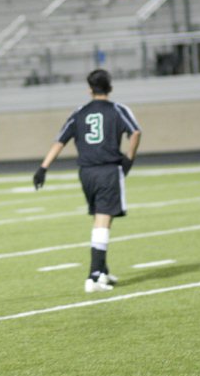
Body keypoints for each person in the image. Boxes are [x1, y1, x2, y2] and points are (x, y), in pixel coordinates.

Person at [33, 69, 141, 293]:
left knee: (101, 218)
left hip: (86, 172)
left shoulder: (79, 112)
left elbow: (59, 141)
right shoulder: (118, 110)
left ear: (89, 88)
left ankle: (102, 270)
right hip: (108, 170)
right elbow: (136, 133)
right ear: (109, 87)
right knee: (103, 221)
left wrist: (43, 168)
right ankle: (93, 277)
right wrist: (129, 159)